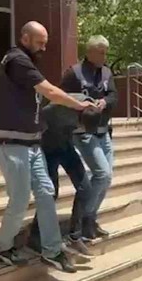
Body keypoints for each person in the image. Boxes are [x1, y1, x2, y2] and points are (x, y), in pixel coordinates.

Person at [0, 21, 96, 273]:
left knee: (46, 192)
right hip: (11, 142)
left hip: (31, 142)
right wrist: (79, 105)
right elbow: (49, 91)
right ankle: (2, 248)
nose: (44, 48)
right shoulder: (17, 59)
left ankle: (52, 250)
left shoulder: (26, 61)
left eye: (45, 43)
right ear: (25, 38)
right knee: (20, 199)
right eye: (40, 42)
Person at [28, 94, 100, 257]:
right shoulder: (58, 109)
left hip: (66, 147)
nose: (80, 128)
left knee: (86, 189)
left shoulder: (91, 107)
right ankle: (35, 235)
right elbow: (40, 114)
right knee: (50, 194)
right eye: (81, 125)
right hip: (48, 148)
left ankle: (74, 235)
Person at [61, 35, 118, 240]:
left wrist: (105, 102)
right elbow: (62, 98)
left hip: (103, 131)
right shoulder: (74, 73)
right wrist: (81, 105)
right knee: (102, 173)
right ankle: (82, 219)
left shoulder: (107, 72)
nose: (104, 56)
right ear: (90, 52)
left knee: (106, 177)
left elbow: (113, 95)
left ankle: (90, 219)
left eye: (106, 52)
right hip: (83, 132)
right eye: (101, 52)